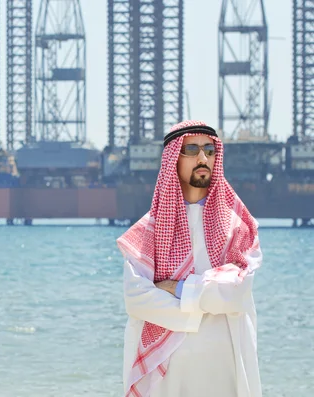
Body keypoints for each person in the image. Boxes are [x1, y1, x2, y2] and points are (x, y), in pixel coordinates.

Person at [117, 120, 262, 397]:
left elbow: (238, 291)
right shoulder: (149, 229)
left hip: (224, 368)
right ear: (173, 158)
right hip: (167, 373)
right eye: (192, 149)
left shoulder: (236, 227)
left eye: (209, 149)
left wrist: (178, 289)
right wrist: (210, 302)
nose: (203, 157)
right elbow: (136, 299)